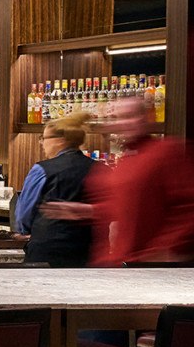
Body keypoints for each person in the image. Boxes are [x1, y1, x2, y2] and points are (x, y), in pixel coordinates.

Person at [41, 94, 194, 265]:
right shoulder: (125, 161)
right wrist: (87, 211)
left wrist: (167, 249)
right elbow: (127, 207)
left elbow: (189, 209)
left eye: (130, 116)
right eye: (116, 118)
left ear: (146, 117)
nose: (123, 123)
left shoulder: (166, 152)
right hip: (118, 266)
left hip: (150, 269)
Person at [12, 113, 96, 266]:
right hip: (89, 254)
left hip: (47, 253)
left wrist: (23, 231)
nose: (42, 143)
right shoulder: (100, 169)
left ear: (60, 140)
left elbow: (24, 213)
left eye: (44, 139)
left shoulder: (42, 169)